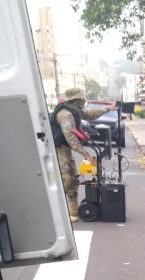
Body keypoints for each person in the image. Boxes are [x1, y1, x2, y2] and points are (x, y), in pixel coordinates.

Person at [50, 88, 113, 222]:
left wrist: (108, 108)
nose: (83, 101)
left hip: (65, 149)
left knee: (73, 178)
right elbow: (70, 138)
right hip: (59, 149)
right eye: (81, 99)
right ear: (75, 100)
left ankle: (73, 213)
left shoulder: (74, 111)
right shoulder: (65, 114)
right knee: (66, 179)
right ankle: (57, 212)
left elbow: (90, 114)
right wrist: (87, 156)